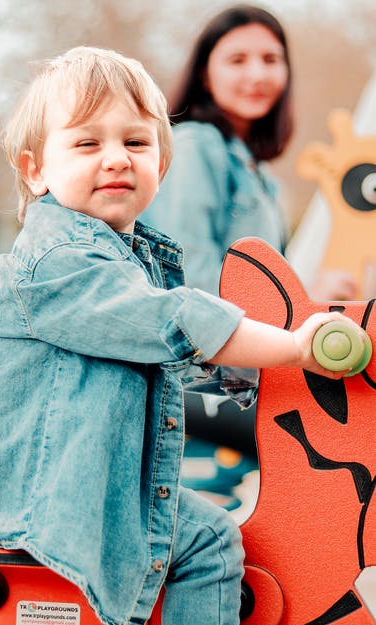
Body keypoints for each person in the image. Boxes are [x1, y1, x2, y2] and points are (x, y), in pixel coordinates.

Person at [0, 46, 358, 625]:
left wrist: (250, 370)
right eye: (87, 144)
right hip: (38, 489)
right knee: (205, 545)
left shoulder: (129, 261)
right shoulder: (58, 263)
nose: (116, 159)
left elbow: (174, 353)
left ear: (161, 164)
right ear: (35, 168)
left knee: (210, 526)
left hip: (76, 476)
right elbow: (169, 322)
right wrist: (295, 348)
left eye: (136, 143)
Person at [142, 5, 357, 500]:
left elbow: (262, 282)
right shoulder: (195, 147)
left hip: (247, 378)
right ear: (205, 72)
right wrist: (303, 298)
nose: (257, 74)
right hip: (200, 389)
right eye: (237, 59)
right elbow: (190, 282)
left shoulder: (261, 175)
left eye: (270, 58)